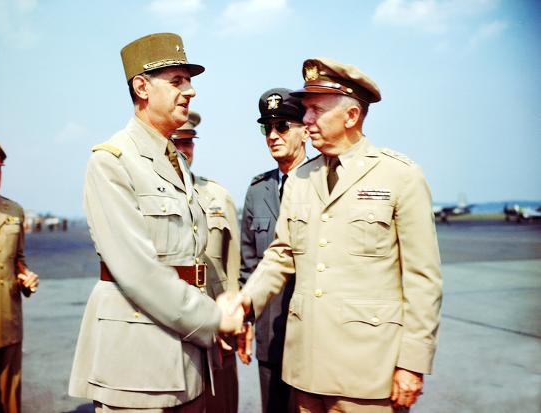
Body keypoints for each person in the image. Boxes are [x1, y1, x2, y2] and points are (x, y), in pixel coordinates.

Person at [238, 58, 442, 412]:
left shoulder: (399, 176)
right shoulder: (301, 179)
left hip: (370, 374)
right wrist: (243, 303)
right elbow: (280, 254)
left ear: (351, 116)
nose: (306, 120)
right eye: (305, 110)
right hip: (305, 372)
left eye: (316, 110)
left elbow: (422, 280)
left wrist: (412, 363)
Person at [68, 33, 243, 413]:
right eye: (177, 81)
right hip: (137, 364)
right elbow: (138, 271)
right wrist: (215, 320)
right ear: (142, 88)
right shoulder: (112, 162)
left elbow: (192, 258)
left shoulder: (175, 162)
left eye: (189, 81)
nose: (190, 91)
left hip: (188, 355)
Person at [239, 88, 309, 413]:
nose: (272, 135)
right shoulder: (257, 191)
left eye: (282, 126)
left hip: (313, 335)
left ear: (305, 131)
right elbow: (248, 265)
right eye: (266, 128)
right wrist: (246, 322)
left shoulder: (324, 182)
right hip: (270, 336)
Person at [171, 111, 240, 413]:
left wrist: (234, 323)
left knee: (221, 405)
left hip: (217, 332)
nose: (182, 151)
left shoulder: (218, 196)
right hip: (171, 331)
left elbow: (233, 271)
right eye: (174, 143)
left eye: (187, 143)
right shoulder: (145, 198)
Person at [0, 139, 39, 413]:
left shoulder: (14, 211)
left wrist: (26, 279)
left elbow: (18, 260)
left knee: (10, 402)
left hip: (8, 320)